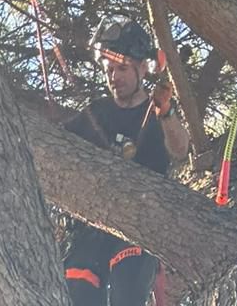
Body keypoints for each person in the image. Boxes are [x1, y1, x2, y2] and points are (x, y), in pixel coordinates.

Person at [61, 18, 191, 305]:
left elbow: (181, 149)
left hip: (138, 228)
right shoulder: (96, 111)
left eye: (121, 68)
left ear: (143, 68)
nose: (113, 77)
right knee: (77, 289)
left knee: (127, 292)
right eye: (108, 70)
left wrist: (166, 111)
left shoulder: (158, 110)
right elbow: (58, 146)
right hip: (90, 231)